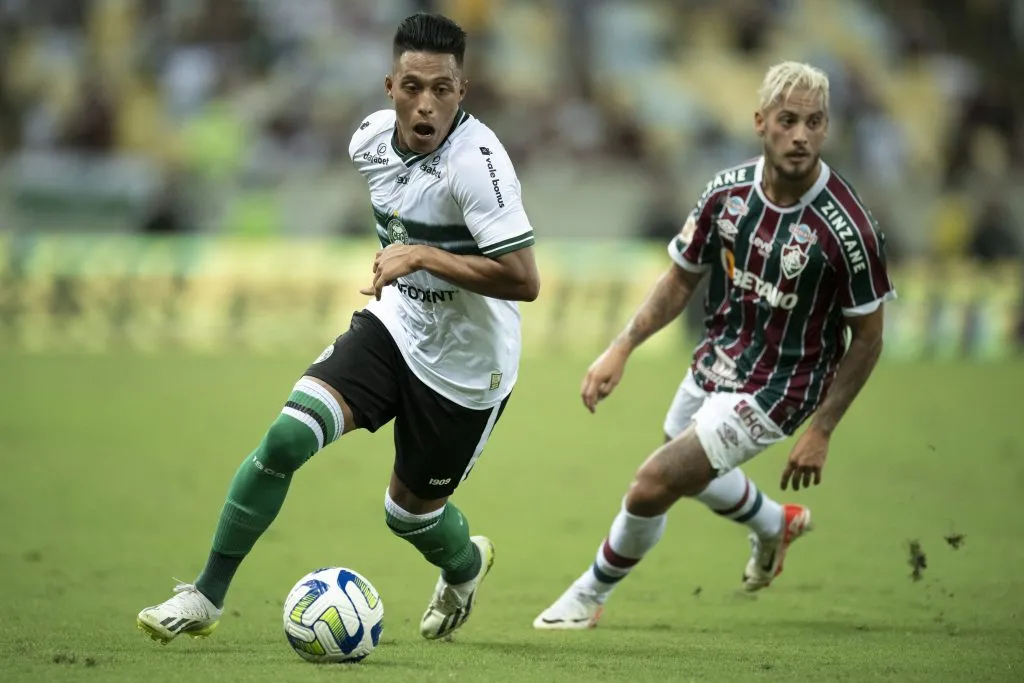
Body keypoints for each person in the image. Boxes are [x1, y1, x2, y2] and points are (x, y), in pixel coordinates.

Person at [138, 12, 540, 644]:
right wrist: (409, 262)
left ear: (462, 92)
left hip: (468, 368)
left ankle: (464, 567)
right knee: (284, 440)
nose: (426, 104)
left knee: (408, 516)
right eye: (413, 87)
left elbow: (524, 279)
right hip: (396, 327)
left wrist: (423, 256)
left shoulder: (479, 163)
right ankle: (205, 596)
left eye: (442, 89)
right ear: (389, 87)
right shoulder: (369, 141)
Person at [533, 61, 895, 629]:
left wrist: (822, 429)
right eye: (788, 120)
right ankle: (775, 524)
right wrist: (621, 347)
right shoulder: (726, 194)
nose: (800, 135)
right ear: (760, 122)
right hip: (719, 358)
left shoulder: (848, 229)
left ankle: (586, 597)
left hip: (785, 385)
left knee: (654, 482)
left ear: (827, 128)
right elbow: (680, 280)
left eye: (814, 123)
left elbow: (869, 338)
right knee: (685, 469)